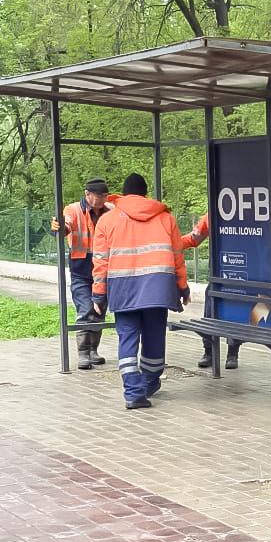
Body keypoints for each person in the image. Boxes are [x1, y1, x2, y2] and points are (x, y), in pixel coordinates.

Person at [91, 174, 190, 410]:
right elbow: (178, 256)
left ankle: (133, 391)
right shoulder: (166, 218)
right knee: (154, 336)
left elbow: (100, 262)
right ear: (146, 194)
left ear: (123, 195)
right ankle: (148, 382)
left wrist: (98, 295)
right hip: (159, 287)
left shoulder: (107, 221)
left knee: (128, 337)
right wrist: (183, 287)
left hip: (123, 288)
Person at [50, 178, 115, 370]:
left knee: (99, 310)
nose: (103, 199)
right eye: (99, 196)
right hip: (81, 268)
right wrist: (59, 227)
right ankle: (83, 353)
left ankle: (93, 350)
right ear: (87, 194)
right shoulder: (73, 210)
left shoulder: (110, 210)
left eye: (105, 195)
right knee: (86, 308)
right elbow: (65, 226)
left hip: (104, 268)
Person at [178, 214, 243, 370]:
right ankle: (209, 352)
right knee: (210, 310)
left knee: (235, 311)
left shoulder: (244, 214)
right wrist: (172, 244)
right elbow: (195, 238)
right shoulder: (211, 216)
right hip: (217, 273)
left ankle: (232, 353)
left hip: (240, 270)